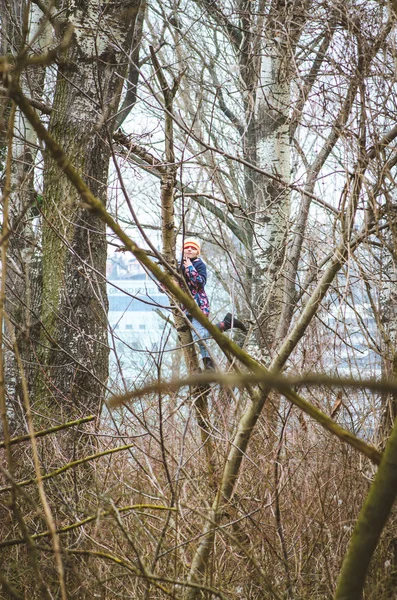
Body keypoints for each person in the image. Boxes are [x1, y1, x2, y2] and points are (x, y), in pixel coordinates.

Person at [181, 237, 247, 370]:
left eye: (193, 248)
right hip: (184, 307)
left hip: (197, 305)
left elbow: (199, 283)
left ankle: (226, 324)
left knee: (198, 335)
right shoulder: (178, 265)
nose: (189, 249)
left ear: (197, 252)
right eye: (187, 247)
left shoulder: (199, 264)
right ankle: (208, 365)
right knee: (199, 337)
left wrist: (189, 268)